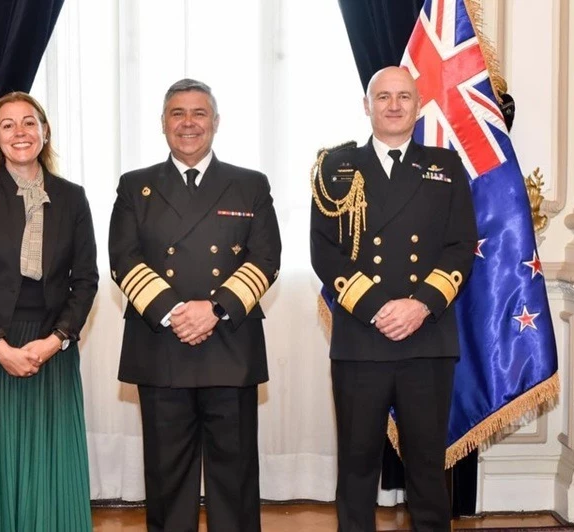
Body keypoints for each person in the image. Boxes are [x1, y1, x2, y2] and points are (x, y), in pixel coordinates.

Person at [109, 79, 281, 532]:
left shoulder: (249, 184)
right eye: (178, 113)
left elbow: (266, 259)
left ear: (216, 122)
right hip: (161, 345)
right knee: (167, 479)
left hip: (230, 346)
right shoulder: (135, 186)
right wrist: (176, 313)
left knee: (235, 479)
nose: (189, 123)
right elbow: (123, 259)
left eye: (199, 113)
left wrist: (214, 309)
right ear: (163, 123)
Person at [310, 66, 478, 531]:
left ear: (419, 106)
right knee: (356, 466)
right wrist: (377, 308)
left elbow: (461, 245)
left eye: (404, 96)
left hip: (427, 337)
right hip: (361, 338)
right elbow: (324, 250)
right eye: (383, 96)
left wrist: (420, 304)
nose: (394, 105)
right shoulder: (336, 168)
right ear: (366, 106)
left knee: (427, 467)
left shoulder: (446, 167)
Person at [0, 91, 98, 531]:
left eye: (29, 122)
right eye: (7, 125)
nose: (20, 132)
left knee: (48, 464)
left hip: (50, 348)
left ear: (44, 131)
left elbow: (86, 280)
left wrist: (55, 341)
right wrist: (0, 347)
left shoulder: (73, 198)